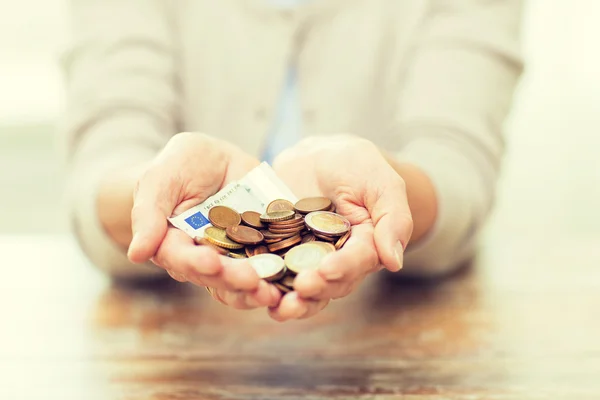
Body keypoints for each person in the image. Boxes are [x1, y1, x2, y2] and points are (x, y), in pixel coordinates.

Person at [59, 0, 523, 321]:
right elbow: (105, 154)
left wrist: (387, 188)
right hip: (173, 352)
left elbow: (459, 173)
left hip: (395, 331)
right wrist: (151, 191)